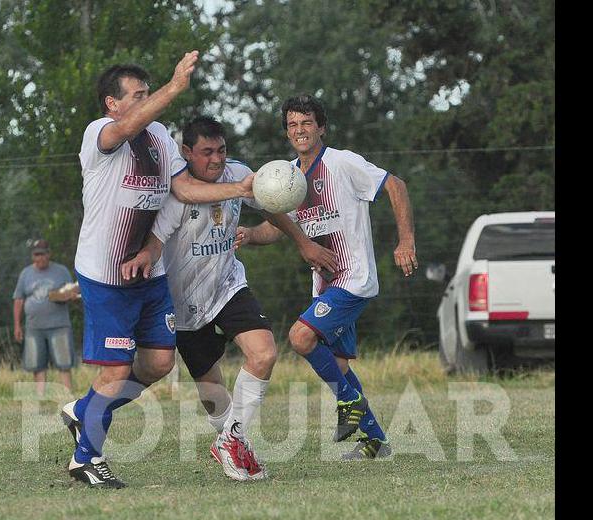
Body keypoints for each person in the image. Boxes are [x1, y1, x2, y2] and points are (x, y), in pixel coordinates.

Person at [60, 51, 256, 489]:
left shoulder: (160, 140)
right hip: (107, 275)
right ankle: (85, 458)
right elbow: (127, 128)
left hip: (149, 274)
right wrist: (173, 88)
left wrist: (239, 188)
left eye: (149, 93)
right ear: (112, 103)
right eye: (139, 94)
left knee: (158, 363)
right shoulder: (101, 134)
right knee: (114, 371)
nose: (147, 102)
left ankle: (84, 411)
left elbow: (182, 189)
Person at [121, 116, 334, 481]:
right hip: (184, 302)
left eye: (221, 150)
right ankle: (229, 439)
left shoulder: (240, 174)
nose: (217, 160)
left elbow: (271, 208)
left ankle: (230, 442)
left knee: (264, 353)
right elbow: (152, 241)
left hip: (228, 286)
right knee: (213, 394)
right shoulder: (176, 191)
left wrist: (304, 243)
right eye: (207, 152)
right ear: (187, 152)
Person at [244, 94, 417, 460]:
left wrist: (405, 241)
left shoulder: (342, 162)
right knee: (336, 366)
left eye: (306, 123)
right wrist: (247, 235)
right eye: (292, 124)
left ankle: (350, 402)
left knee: (300, 337)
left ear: (320, 127)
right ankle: (374, 441)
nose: (299, 130)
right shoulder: (287, 177)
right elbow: (276, 228)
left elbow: (395, 185)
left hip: (353, 278)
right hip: (325, 284)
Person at [13, 239, 80, 395]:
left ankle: (67, 395)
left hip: (59, 325)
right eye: (36, 255)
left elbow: (71, 291)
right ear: (32, 256)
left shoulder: (61, 271)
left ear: (49, 254)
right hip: (34, 327)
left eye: (43, 254)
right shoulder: (26, 273)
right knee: (37, 364)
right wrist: (17, 325)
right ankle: (40, 397)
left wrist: (66, 295)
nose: (40, 258)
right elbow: (18, 299)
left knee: (64, 363)